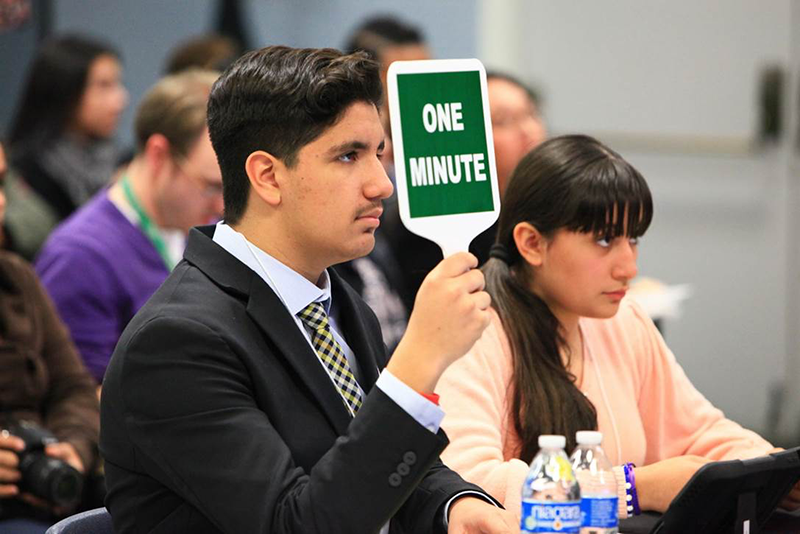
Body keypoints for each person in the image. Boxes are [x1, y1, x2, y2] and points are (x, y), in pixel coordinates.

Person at [99, 45, 518, 533]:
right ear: (268, 176)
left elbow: (384, 460)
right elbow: (296, 524)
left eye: (378, 153)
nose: (382, 184)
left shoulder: (333, 298)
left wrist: (456, 506)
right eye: (348, 156)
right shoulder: (177, 341)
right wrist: (417, 364)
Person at [436, 134, 800, 519]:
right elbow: (468, 486)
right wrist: (629, 488)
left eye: (634, 239)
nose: (629, 267)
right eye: (605, 240)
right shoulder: (475, 333)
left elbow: (697, 432)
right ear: (531, 243)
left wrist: (772, 468)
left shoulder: (624, 319)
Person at [35, 69, 223, 384]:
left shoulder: (205, 228)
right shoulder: (79, 258)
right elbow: (83, 400)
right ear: (158, 155)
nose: (221, 206)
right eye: (211, 186)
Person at [0, 142, 100, 533]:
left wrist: (72, 448)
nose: (2, 203)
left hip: (47, 493)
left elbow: (72, 386)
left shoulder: (17, 277)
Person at [384, 70, 547, 310]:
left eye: (531, 113)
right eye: (503, 120)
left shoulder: (551, 204)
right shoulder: (432, 221)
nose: (529, 130)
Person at [6, 34, 128, 246]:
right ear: (66, 90)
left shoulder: (119, 161)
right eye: (103, 86)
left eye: (117, 84)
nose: (120, 100)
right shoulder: (25, 171)